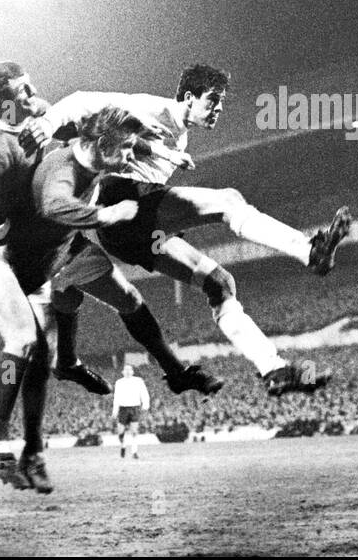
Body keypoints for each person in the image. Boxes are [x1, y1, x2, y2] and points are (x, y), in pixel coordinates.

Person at [24, 64, 351, 396]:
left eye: (221, 103)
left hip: (137, 233)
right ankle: (310, 251)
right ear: (189, 97)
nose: (218, 109)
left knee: (220, 284)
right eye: (212, 100)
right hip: (124, 205)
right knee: (228, 201)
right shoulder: (154, 109)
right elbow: (83, 101)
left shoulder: (180, 135)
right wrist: (47, 124)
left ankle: (273, 369)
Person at [0, 61, 138, 492]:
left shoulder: (39, 115)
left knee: (43, 352)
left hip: (34, 248)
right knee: (21, 338)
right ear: (4, 102)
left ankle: (34, 450)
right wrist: (57, 217)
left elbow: (83, 147)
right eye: (23, 90)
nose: (33, 92)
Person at [31, 140, 224, 396]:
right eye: (123, 154)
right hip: (48, 248)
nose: (128, 160)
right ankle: (176, 373)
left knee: (68, 296)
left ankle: (66, 363)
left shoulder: (90, 163)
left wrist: (165, 153)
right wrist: (109, 215)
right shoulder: (65, 173)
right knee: (128, 300)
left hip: (52, 245)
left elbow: (129, 144)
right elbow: (55, 209)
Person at [112, 364, 151, 459]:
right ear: (123, 372)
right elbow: (116, 397)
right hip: (123, 408)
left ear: (133, 371)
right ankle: (123, 446)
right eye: (126, 370)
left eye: (130, 369)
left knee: (134, 431)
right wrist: (115, 410)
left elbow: (144, 393)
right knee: (120, 432)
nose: (128, 371)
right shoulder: (119, 382)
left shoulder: (138, 381)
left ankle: (134, 451)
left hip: (135, 407)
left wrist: (146, 404)